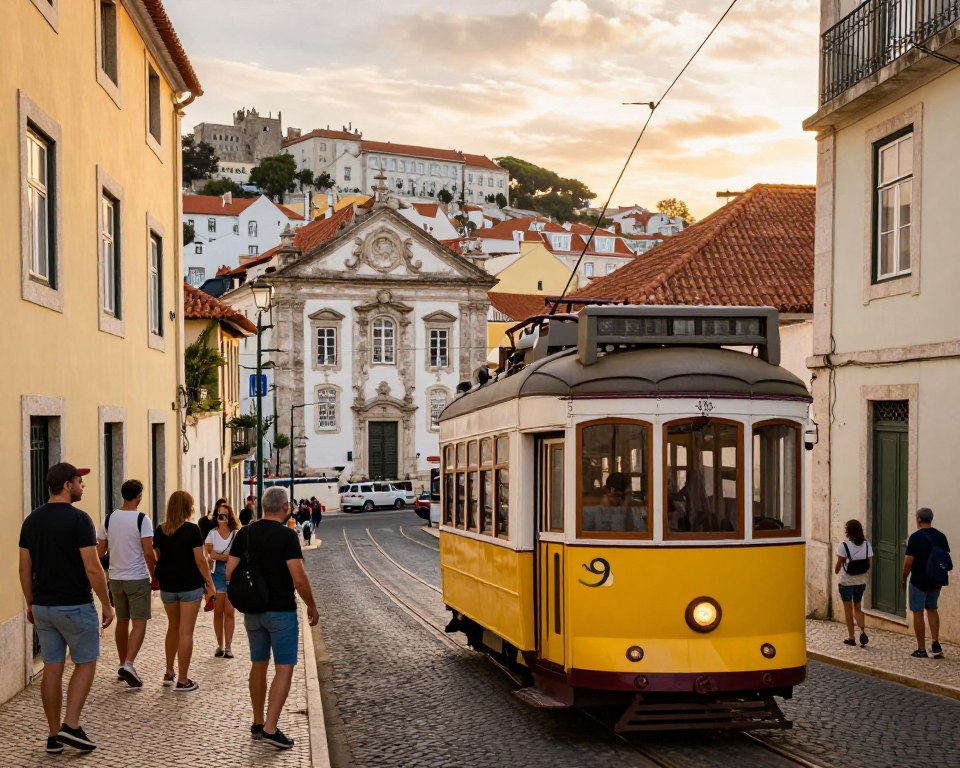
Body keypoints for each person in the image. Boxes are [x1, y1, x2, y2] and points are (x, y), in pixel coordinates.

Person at [18, 463, 114, 754]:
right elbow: (93, 567)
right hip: (74, 605)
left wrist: (30, 602)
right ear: (67, 485)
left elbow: (24, 568)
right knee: (86, 662)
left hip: (44, 607)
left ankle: (52, 734)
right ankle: (71, 726)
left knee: (52, 667)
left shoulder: (31, 521)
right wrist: (107, 604)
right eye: (79, 481)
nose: (83, 485)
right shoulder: (79, 520)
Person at [227, 486, 319, 750]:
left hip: (253, 611)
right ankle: (270, 728)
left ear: (262, 507)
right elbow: (298, 577)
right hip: (281, 611)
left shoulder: (245, 533)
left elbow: (231, 572)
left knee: (258, 664)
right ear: (286, 508)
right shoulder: (287, 536)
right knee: (284, 667)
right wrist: (311, 605)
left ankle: (257, 723)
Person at [95, 478, 156, 689]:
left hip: (116, 578)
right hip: (137, 577)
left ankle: (122, 663)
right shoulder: (142, 519)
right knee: (139, 623)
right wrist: (154, 574)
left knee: (122, 621)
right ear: (139, 496)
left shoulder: (109, 518)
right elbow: (148, 552)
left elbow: (99, 552)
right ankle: (129, 664)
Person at [153, 490, 216, 692]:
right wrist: (210, 584)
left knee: (173, 627)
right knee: (186, 631)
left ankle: (169, 672)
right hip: (189, 586)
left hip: (168, 586)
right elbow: (200, 559)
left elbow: (158, 555)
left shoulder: (160, 530)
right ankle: (183, 679)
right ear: (187, 507)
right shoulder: (191, 530)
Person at [903, 507, 951, 659]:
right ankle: (936, 643)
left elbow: (908, 562)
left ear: (918, 519)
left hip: (918, 580)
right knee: (932, 609)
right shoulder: (941, 536)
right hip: (936, 580)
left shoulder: (915, 537)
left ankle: (921, 648)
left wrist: (904, 578)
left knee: (918, 613)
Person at [205, 502, 239, 658]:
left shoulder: (235, 534)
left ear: (229, 516)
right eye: (219, 514)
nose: (221, 517)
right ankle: (219, 645)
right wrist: (225, 557)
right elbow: (208, 554)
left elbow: (237, 555)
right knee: (218, 612)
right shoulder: (212, 533)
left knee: (230, 612)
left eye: (224, 514)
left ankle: (229, 647)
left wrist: (219, 556)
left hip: (232, 575)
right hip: (216, 575)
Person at [834, 519, 873, 647]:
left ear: (848, 532)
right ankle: (862, 631)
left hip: (846, 582)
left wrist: (838, 567)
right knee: (858, 607)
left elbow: (837, 567)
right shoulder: (867, 545)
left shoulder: (843, 546)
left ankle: (851, 637)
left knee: (848, 609)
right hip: (860, 581)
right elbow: (869, 564)